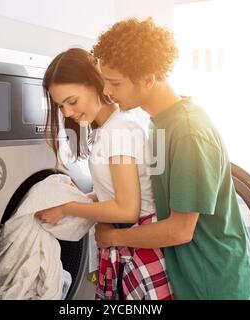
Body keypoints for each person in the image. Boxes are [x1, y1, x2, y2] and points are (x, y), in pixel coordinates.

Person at [92, 17, 250, 300]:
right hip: (186, 274)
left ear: (148, 79)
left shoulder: (188, 133)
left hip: (214, 281)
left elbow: (180, 230)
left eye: (114, 83)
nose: (107, 91)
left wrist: (113, 238)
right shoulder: (157, 122)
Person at [35, 48, 174, 300]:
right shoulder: (104, 130)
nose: (66, 113)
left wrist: (67, 208)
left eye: (72, 101)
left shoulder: (118, 131)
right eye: (60, 106)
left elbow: (126, 209)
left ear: (95, 83)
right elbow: (111, 192)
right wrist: (76, 200)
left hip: (139, 248)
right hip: (127, 244)